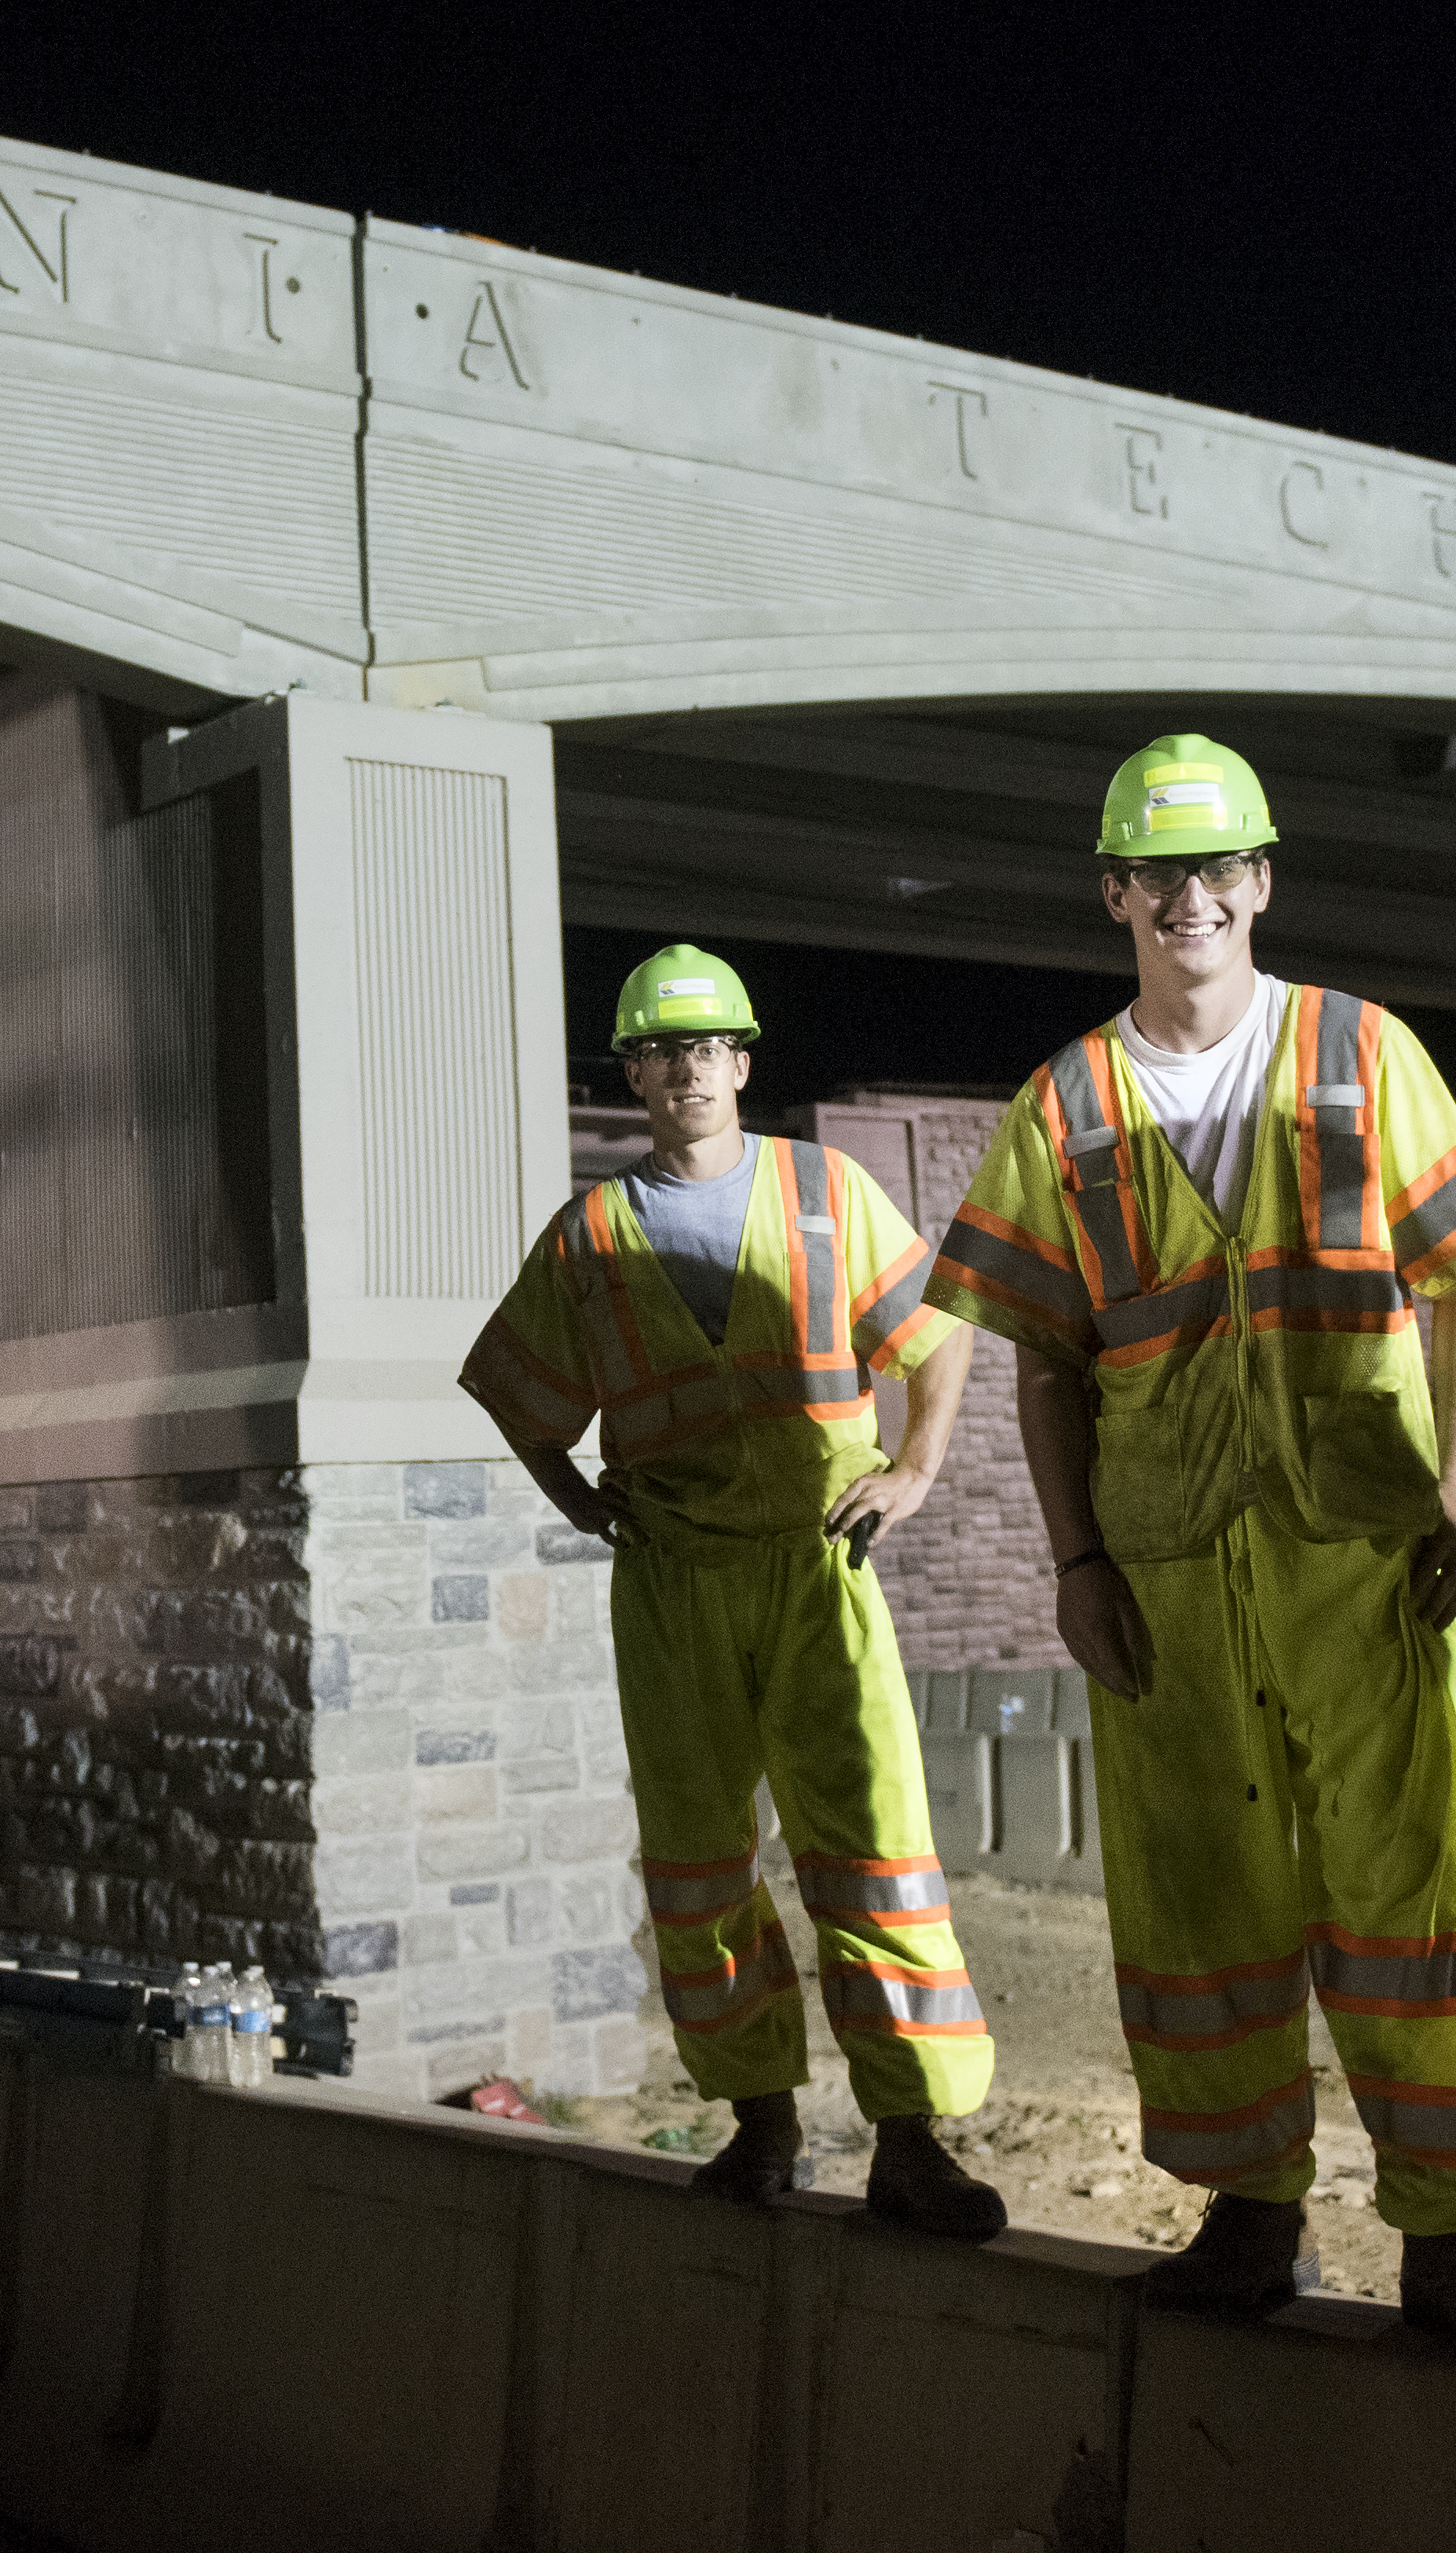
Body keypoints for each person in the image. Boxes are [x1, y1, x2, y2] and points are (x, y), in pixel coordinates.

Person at [924, 733, 1456, 2363]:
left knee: (1407, 1883)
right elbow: (1042, 1360)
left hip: (1355, 1544)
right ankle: (1245, 2213)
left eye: (1218, 872)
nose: (1189, 901)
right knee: (1197, 1896)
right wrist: (1073, 1564)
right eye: (1158, 875)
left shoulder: (1360, 1052)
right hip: (1160, 1573)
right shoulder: (1063, 1104)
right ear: (1114, 893)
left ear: (1259, 883)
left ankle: (1454, 2235)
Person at [460, 944, 1008, 2238]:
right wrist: (577, 1498)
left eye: (706, 1047)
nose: (685, 1068)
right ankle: (759, 2122)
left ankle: (908, 2138)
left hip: (817, 1566)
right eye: (658, 1050)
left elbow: (934, 1334)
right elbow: (516, 1387)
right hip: (673, 1581)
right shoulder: (590, 1234)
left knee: (870, 1844)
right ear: (634, 1073)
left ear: (740, 1062)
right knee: (699, 1857)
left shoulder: (826, 1190)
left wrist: (916, 1468)